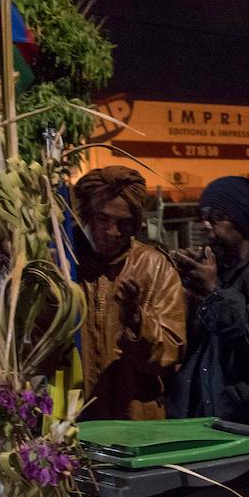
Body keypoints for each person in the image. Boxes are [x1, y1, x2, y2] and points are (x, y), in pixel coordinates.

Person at [167, 176, 249, 428]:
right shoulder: (217, 269)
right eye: (202, 215)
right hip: (205, 416)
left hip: (247, 420)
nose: (205, 224)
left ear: (243, 219)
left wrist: (212, 291)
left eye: (216, 216)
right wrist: (189, 291)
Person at [71, 166, 186, 421]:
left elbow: (171, 356)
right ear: (87, 216)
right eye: (103, 219)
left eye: (123, 223)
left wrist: (137, 323)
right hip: (73, 426)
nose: (113, 232)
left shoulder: (154, 267)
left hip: (137, 424)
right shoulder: (66, 266)